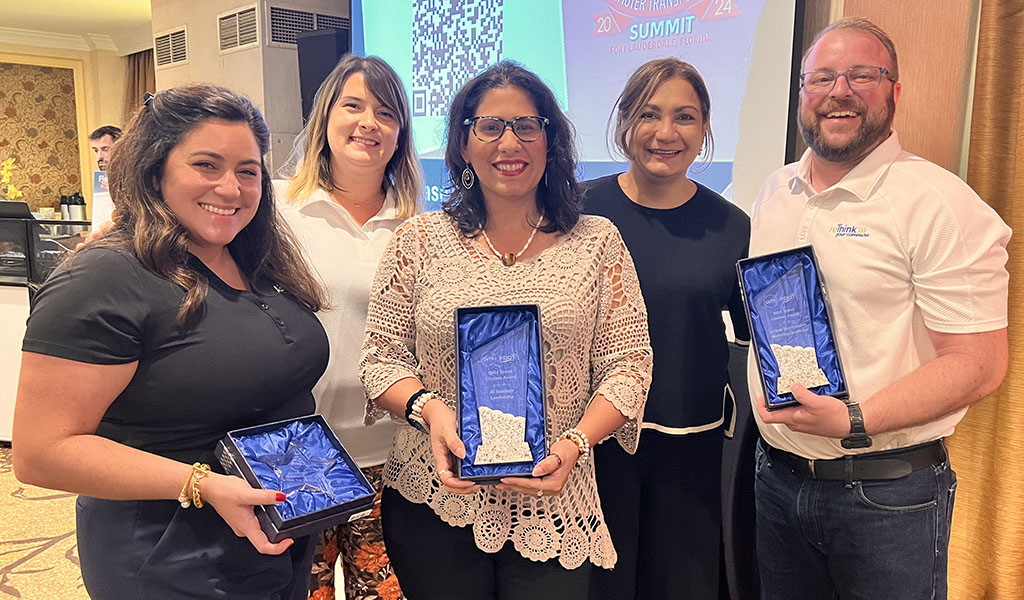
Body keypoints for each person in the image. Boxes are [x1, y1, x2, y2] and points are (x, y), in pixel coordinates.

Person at [13, 85, 329, 600]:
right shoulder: (105, 277)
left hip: (272, 532)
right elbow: (41, 453)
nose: (231, 188)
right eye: (207, 165)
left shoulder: (253, 257)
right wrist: (201, 483)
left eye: (248, 171)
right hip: (171, 552)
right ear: (154, 169)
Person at [359, 61, 653, 599]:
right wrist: (431, 410)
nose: (508, 142)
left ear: (551, 141)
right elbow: (380, 360)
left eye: (527, 125)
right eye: (489, 126)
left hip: (555, 502)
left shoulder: (597, 242)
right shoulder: (418, 240)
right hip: (434, 497)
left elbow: (629, 365)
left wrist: (574, 444)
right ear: (464, 143)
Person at [749, 17, 1010, 600]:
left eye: (862, 75)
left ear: (895, 91)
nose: (838, 91)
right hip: (778, 479)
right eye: (820, 78)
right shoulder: (775, 190)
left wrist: (855, 418)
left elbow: (979, 362)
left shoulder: (939, 204)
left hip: (887, 494)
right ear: (801, 95)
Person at [583, 58, 750, 599]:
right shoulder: (576, 209)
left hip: (691, 448)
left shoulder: (731, 226)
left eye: (685, 117)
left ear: (704, 131)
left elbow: (758, 337)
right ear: (625, 121)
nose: (665, 132)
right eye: (649, 114)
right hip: (591, 446)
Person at [274, 54, 422, 600]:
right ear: (324, 117)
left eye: (386, 112)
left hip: (393, 450)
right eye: (353, 105)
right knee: (300, 591)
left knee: (385, 595)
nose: (368, 122)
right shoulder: (276, 208)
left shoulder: (422, 223)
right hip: (298, 451)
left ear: (401, 133)